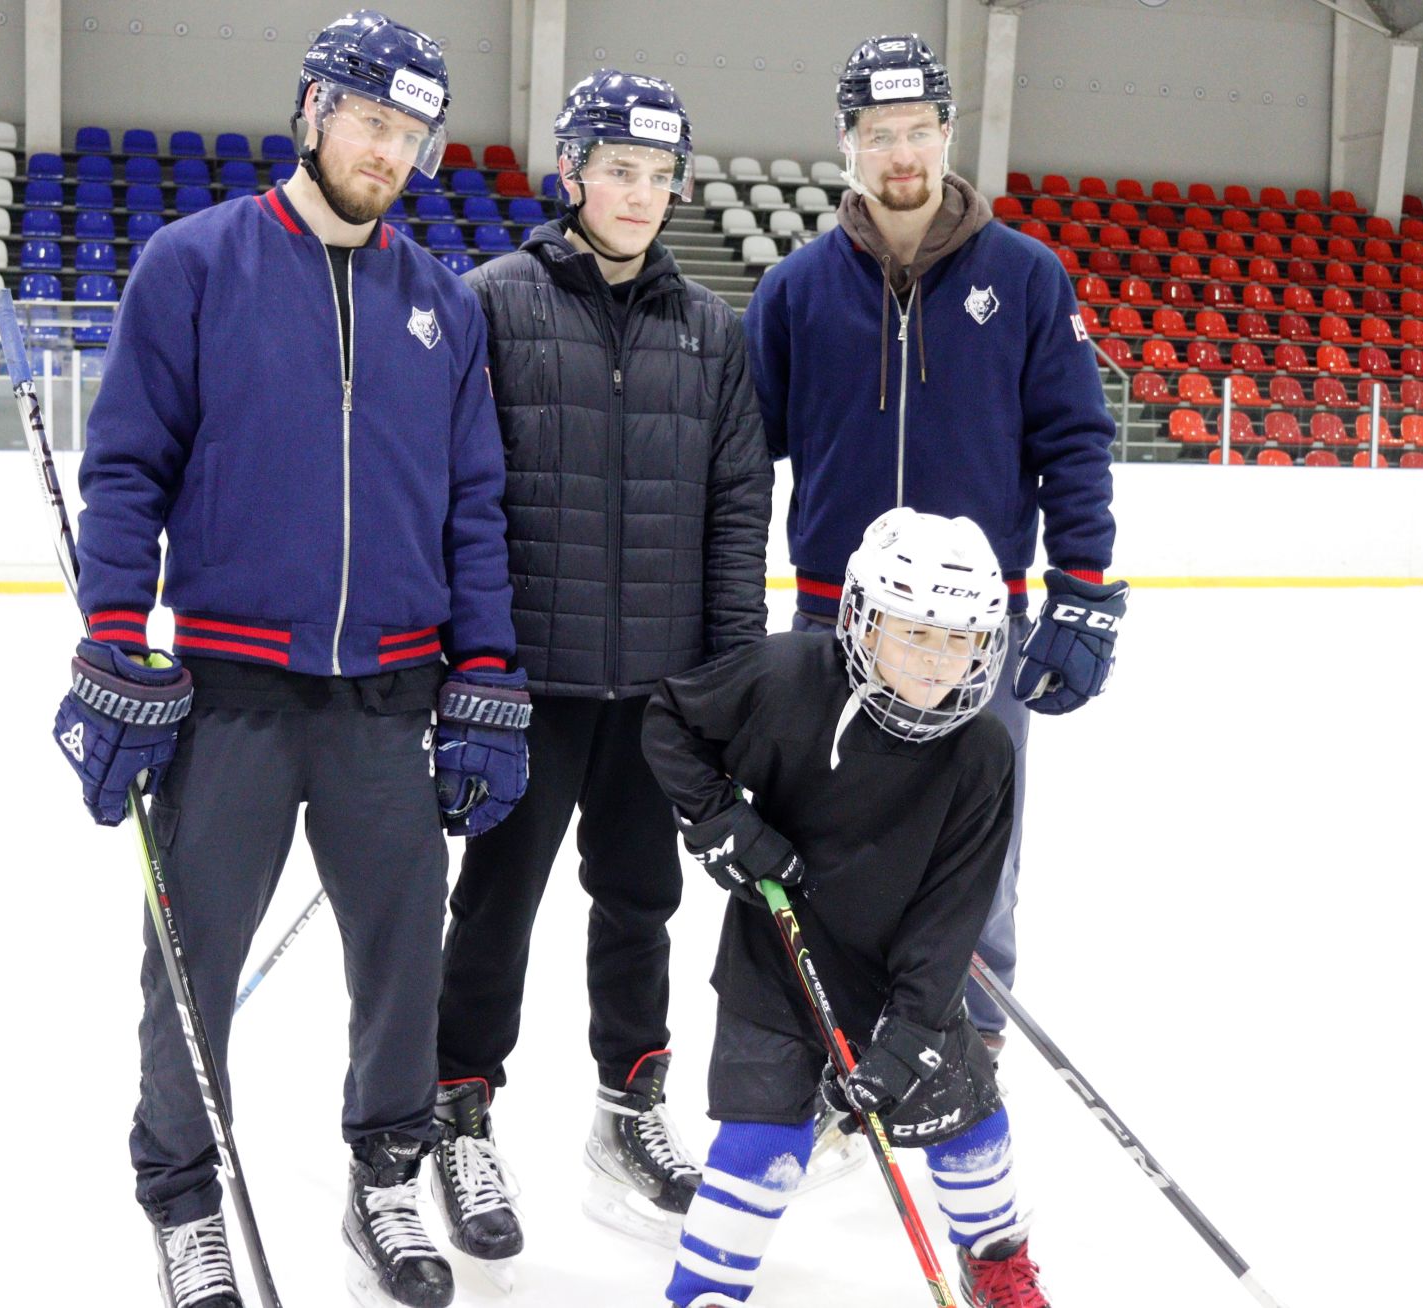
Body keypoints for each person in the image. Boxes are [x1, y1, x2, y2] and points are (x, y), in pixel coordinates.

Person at [49, 12, 525, 1307]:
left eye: (412, 135)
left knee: (398, 964)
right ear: (313, 110)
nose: (389, 151)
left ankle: (385, 1177)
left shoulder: (439, 305)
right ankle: (185, 1199)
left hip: (387, 700)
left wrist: (489, 672)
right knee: (191, 966)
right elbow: (128, 472)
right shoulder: (193, 265)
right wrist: (109, 637)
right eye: (372, 121)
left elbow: (471, 503)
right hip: (230, 699)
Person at [427, 68, 774, 1266]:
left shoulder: (713, 332)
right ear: (570, 171)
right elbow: (460, 499)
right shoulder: (490, 303)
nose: (641, 192)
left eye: (660, 174)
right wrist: (470, 666)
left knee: (642, 904)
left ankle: (631, 1102)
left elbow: (739, 507)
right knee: (495, 908)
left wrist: (732, 681)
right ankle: (461, 1104)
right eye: (619, 168)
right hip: (528, 686)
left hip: (663, 690)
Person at [743, 32, 1126, 1061]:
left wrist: (1083, 587)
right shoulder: (793, 291)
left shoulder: (1029, 279)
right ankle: (839, 1038)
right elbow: (740, 456)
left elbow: (1074, 440)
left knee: (976, 851)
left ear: (948, 134)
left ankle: (970, 1042)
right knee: (830, 839)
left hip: (976, 627)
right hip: (834, 618)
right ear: (847, 145)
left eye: (918, 130)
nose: (900, 151)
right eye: (879, 133)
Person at [643, 508, 1054, 1308]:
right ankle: (705, 1292)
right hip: (776, 955)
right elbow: (670, 722)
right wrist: (723, 823)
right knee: (762, 1144)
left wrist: (908, 1040)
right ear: (863, 620)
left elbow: (950, 917)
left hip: (899, 977)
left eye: (958, 640)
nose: (938, 663)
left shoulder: (982, 752)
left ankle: (996, 1260)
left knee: (971, 1129)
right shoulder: (786, 680)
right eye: (913, 633)